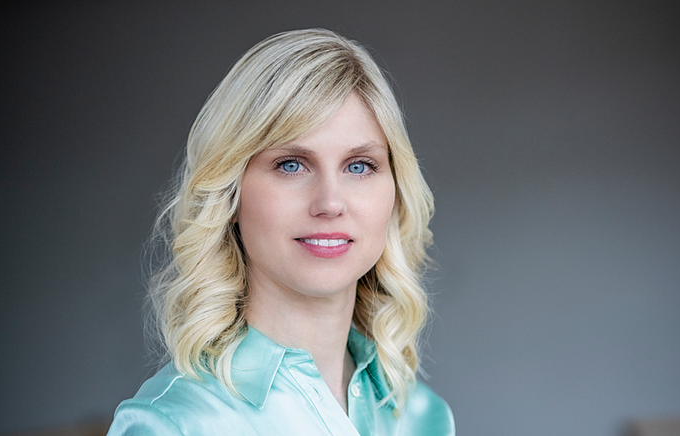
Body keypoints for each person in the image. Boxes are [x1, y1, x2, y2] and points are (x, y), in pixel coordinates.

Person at [107, 28, 454, 436]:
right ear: (231, 193)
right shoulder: (173, 424)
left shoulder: (423, 417)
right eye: (291, 164)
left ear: (394, 191)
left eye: (359, 165)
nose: (330, 202)